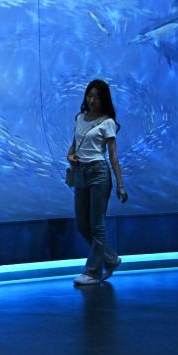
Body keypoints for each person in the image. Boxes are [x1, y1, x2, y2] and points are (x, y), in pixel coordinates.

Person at [66, 79, 127, 285]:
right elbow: (73, 146)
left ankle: (93, 271)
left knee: (97, 224)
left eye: (97, 97)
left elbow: (113, 156)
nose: (92, 100)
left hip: (98, 172)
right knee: (82, 224)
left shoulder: (107, 122)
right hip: (80, 172)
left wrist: (120, 184)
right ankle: (110, 259)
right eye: (90, 95)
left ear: (104, 100)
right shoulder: (79, 118)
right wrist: (70, 157)